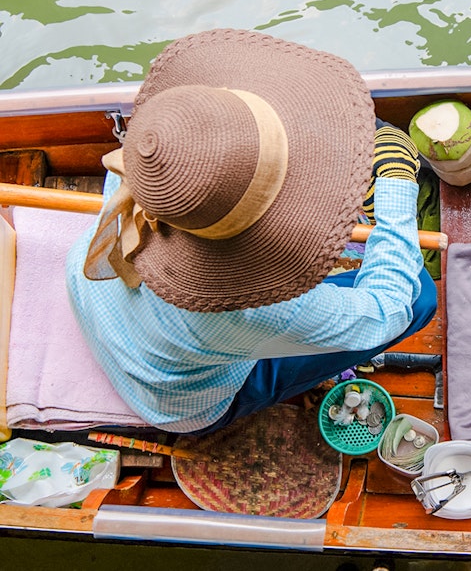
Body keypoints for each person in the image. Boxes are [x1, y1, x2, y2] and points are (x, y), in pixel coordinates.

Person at [64, 28, 437, 435]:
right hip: (181, 404)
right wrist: (396, 186)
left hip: (95, 300)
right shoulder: (256, 308)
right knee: (420, 294)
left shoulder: (153, 159)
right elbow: (389, 310)